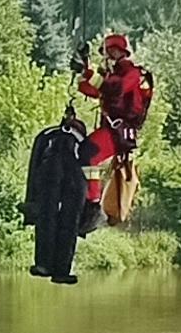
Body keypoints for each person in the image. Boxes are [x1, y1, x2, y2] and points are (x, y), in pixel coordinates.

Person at [73, 33, 155, 231]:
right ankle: (86, 200)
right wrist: (83, 70)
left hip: (120, 131)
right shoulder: (113, 75)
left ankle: (92, 205)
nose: (108, 57)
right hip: (113, 129)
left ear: (119, 52)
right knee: (84, 155)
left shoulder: (132, 73)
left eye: (110, 52)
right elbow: (91, 89)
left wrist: (90, 72)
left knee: (88, 154)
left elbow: (115, 89)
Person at [22, 113, 92, 284]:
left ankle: (43, 264)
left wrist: (31, 202)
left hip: (48, 172)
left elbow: (33, 168)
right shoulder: (85, 143)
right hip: (74, 177)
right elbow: (92, 175)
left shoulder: (46, 135)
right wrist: (90, 206)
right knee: (70, 223)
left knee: (46, 218)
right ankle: (61, 271)